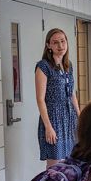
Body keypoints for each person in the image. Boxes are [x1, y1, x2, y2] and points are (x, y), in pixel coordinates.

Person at [35, 28, 80, 169]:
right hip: (53, 117)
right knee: (54, 164)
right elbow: (40, 99)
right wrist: (48, 127)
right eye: (55, 43)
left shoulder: (68, 65)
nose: (60, 46)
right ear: (48, 45)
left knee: (70, 161)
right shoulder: (43, 66)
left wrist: (80, 115)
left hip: (69, 117)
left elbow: (71, 93)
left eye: (63, 41)